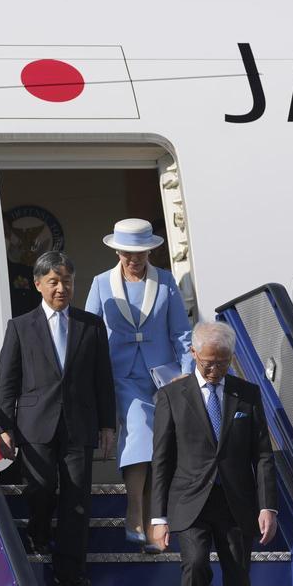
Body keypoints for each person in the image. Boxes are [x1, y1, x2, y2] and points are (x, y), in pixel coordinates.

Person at [149, 321, 279, 586]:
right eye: (208, 361)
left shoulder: (247, 394)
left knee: (238, 577)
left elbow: (262, 454)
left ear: (231, 358)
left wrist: (268, 506)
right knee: (195, 567)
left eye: (222, 362)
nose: (214, 369)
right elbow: (161, 460)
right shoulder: (171, 396)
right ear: (193, 353)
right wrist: (158, 517)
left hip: (236, 503)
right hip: (189, 503)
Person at [0, 251, 117, 586]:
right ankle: (37, 532)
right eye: (54, 281)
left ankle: (71, 572)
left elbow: (102, 380)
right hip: (35, 423)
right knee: (42, 488)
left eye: (67, 281)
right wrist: (5, 430)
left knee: (77, 497)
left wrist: (108, 426)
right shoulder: (20, 327)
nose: (61, 288)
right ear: (38, 285)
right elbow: (8, 380)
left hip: (80, 424)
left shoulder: (91, 325)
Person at [86, 218, 192, 551]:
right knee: (139, 431)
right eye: (128, 253)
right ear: (117, 251)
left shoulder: (166, 282)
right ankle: (135, 511)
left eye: (141, 253)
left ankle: (152, 521)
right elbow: (89, 333)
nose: (134, 259)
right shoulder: (101, 283)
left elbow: (181, 332)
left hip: (162, 377)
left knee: (158, 446)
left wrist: (187, 371)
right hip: (120, 376)